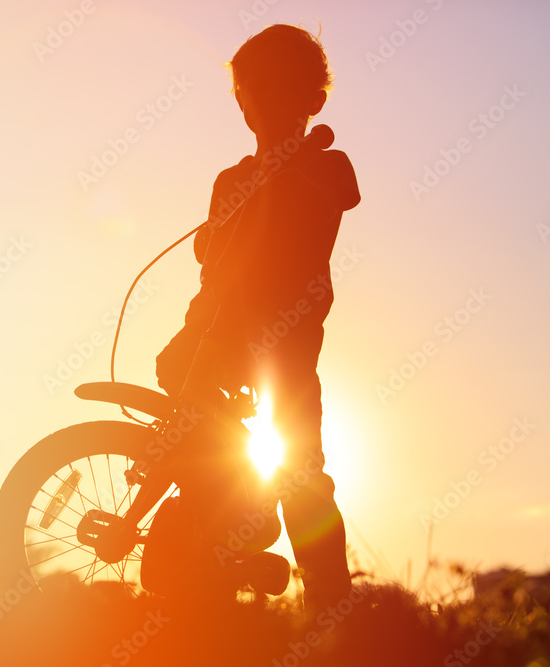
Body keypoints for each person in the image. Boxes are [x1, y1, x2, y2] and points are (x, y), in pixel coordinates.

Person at [155, 24, 361, 612]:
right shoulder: (232, 181)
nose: (259, 101)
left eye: (276, 88)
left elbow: (312, 218)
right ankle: (220, 535)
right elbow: (214, 265)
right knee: (183, 403)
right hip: (219, 335)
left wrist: (281, 174)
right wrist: (193, 324)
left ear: (312, 101)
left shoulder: (327, 166)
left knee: (301, 472)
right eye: (249, 90)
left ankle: (331, 608)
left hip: (287, 339)